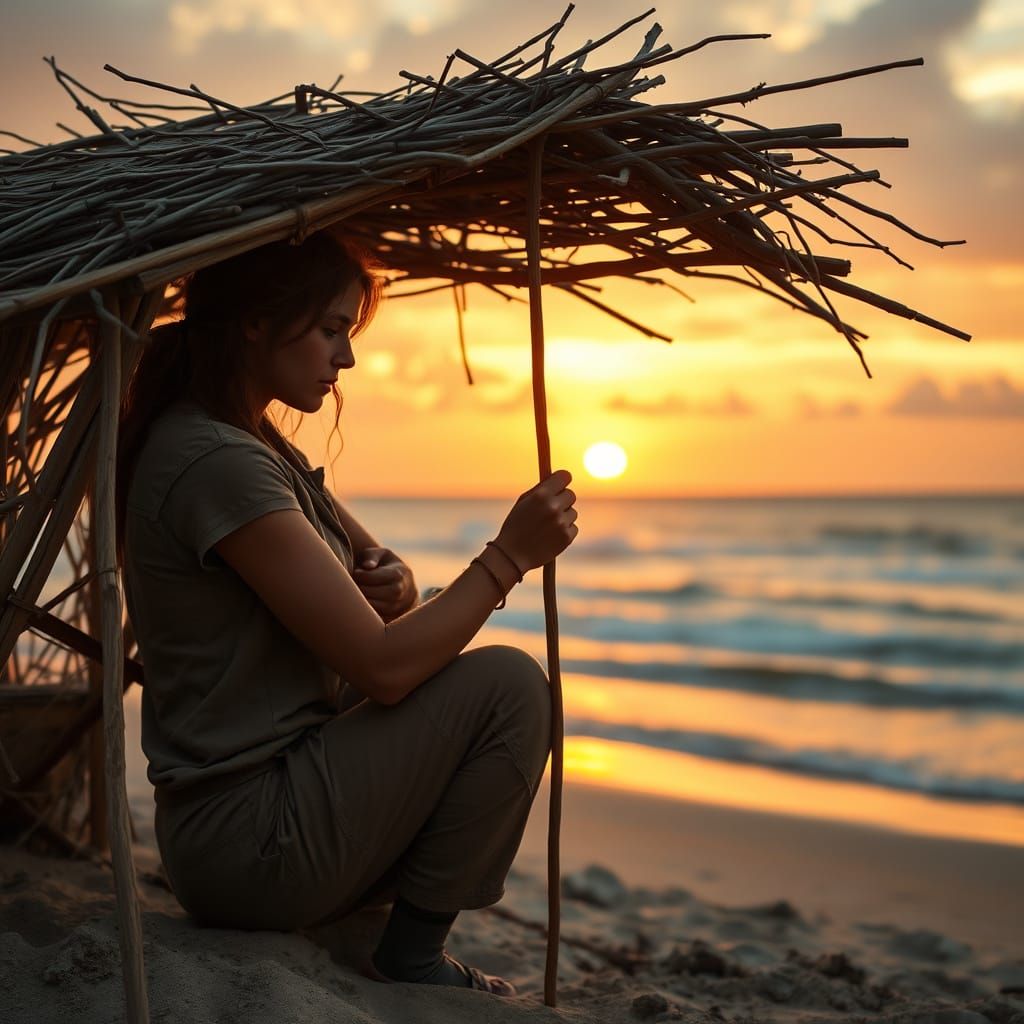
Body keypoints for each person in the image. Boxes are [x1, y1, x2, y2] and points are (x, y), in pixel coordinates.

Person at [115, 229, 578, 997]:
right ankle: (412, 958)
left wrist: (397, 585)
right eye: (332, 330)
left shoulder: (250, 443)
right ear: (256, 322)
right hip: (252, 841)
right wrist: (508, 557)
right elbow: (384, 667)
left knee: (471, 676)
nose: (347, 359)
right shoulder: (215, 461)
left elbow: (375, 577)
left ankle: (403, 939)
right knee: (509, 688)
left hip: (259, 824)